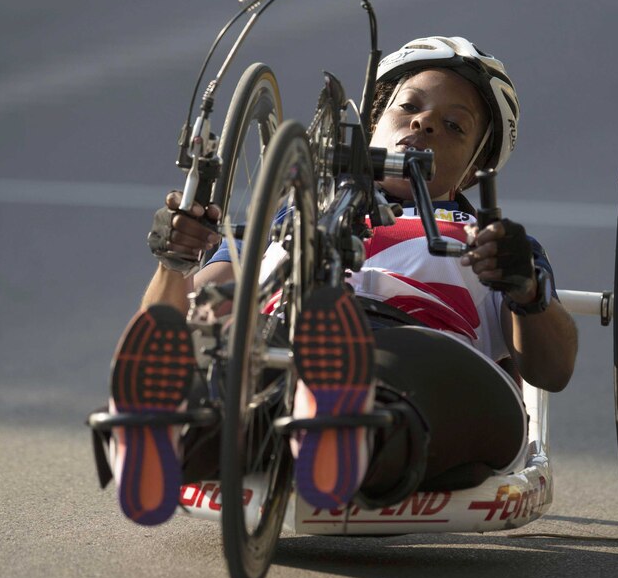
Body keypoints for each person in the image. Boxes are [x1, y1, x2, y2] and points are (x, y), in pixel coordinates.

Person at [100, 36, 578, 525]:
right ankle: (180, 427)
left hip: (423, 354)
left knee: (397, 385)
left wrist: (526, 289)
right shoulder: (281, 218)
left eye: (453, 126)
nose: (424, 122)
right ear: (372, 126)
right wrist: (174, 260)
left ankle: (338, 419)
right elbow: (193, 309)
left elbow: (552, 371)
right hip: (285, 343)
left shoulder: (491, 241)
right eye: (408, 107)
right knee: (233, 361)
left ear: (475, 169)